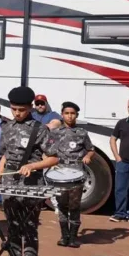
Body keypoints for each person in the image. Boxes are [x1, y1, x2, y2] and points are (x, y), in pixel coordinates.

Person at [0, 86, 59, 256]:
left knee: (29, 229)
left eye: (21, 109)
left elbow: (54, 158)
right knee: (12, 229)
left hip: (30, 186)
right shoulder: (7, 127)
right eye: (13, 109)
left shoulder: (40, 129)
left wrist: (32, 166)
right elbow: (5, 156)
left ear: (30, 108)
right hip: (10, 185)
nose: (17, 113)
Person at [50, 101, 94, 248]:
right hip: (60, 172)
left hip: (77, 172)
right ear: (62, 115)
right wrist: (49, 161)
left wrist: (88, 156)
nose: (69, 116)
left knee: (74, 205)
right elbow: (47, 150)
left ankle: (74, 237)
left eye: (72, 113)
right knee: (62, 204)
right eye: (67, 113)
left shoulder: (82, 133)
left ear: (77, 115)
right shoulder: (55, 133)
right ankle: (64, 236)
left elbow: (91, 149)